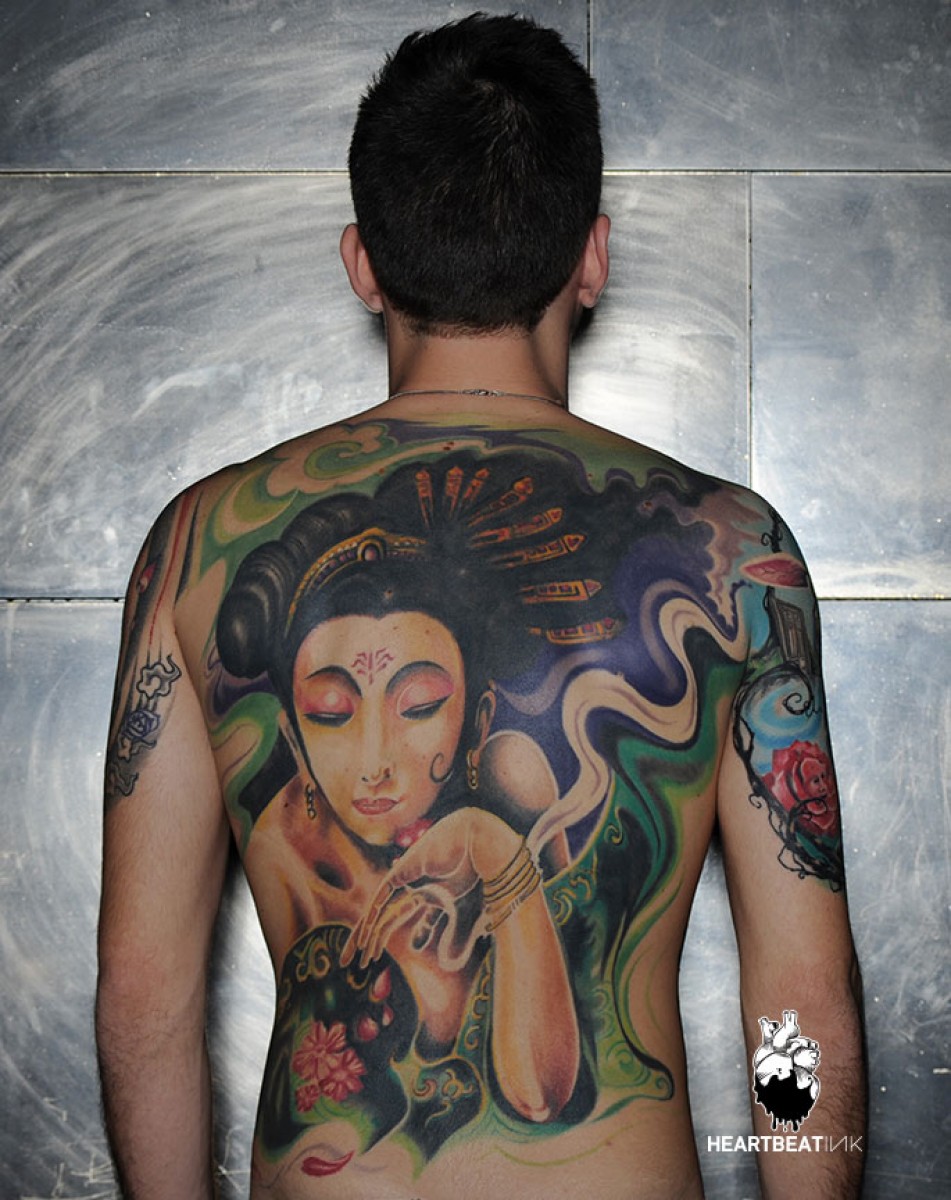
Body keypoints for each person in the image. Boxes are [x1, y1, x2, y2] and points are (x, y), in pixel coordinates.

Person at [95, 13, 866, 1200]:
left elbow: (144, 998)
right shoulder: (735, 554)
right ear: (593, 258)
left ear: (363, 264)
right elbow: (803, 1005)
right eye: (333, 709)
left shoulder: (195, 546)